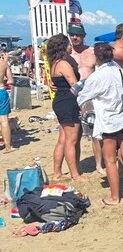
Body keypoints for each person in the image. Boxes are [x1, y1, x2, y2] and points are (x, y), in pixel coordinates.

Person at [76, 43, 123, 205]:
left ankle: (115, 197)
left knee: (110, 160)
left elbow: (82, 98)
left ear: (97, 58)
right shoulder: (120, 71)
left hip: (109, 120)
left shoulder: (96, 77)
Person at [67, 22, 103, 174]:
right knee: (74, 134)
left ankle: (99, 164)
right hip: (71, 96)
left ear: (83, 36)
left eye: (78, 35)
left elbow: (102, 72)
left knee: (95, 132)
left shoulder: (92, 52)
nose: (75, 37)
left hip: (90, 97)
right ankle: (76, 166)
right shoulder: (67, 54)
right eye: (72, 35)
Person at [47, 33, 85, 181]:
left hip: (60, 100)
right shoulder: (63, 64)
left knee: (63, 138)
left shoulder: (54, 63)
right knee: (71, 139)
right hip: (68, 101)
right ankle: (75, 174)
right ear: (63, 47)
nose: (71, 47)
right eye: (68, 44)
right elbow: (74, 85)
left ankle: (57, 172)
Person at [0, 53, 13, 152]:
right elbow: (10, 81)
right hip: (1, 91)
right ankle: (8, 147)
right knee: (4, 120)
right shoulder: (3, 64)